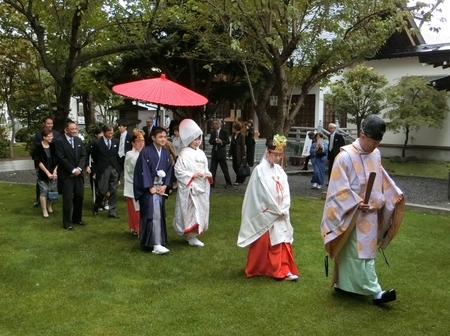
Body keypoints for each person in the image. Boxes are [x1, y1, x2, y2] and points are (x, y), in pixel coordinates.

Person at [320, 115, 405, 305]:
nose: (376, 145)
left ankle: (344, 285)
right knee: (356, 253)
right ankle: (376, 292)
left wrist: (390, 195)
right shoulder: (345, 156)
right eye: (373, 141)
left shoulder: (376, 154)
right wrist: (356, 202)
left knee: (365, 252)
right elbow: (337, 188)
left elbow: (382, 180)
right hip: (351, 215)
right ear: (363, 136)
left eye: (378, 141)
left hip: (371, 213)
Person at [237, 134, 299, 281]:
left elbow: (285, 190)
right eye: (275, 155)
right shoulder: (259, 170)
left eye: (280, 155)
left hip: (280, 211)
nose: (278, 158)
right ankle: (262, 267)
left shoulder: (279, 171)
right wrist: (275, 209)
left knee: (281, 238)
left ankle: (283, 268)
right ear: (268, 152)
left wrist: (284, 207)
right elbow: (260, 193)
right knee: (264, 239)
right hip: (268, 210)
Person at [133, 126, 173, 254]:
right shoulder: (145, 152)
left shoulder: (166, 153)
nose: (163, 139)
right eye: (160, 137)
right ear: (153, 138)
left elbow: (169, 170)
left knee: (159, 214)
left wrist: (165, 185)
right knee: (152, 214)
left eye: (164, 137)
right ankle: (155, 244)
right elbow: (142, 171)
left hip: (160, 188)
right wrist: (150, 187)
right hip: (148, 189)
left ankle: (156, 241)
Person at [173, 119, 212, 247]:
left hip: (201, 185)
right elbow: (178, 170)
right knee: (190, 211)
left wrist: (207, 174)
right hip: (190, 186)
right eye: (194, 139)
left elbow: (205, 167)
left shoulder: (201, 153)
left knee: (200, 210)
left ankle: (194, 234)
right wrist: (192, 175)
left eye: (198, 139)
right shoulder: (183, 154)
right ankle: (190, 236)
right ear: (189, 140)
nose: (196, 142)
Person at [54, 120, 86, 230]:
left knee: (79, 196)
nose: (74, 131)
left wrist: (79, 169)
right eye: (72, 129)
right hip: (67, 175)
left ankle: (77, 218)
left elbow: (83, 155)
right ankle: (67, 222)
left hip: (78, 174)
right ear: (66, 130)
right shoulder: (59, 141)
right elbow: (61, 158)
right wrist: (72, 170)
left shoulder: (78, 140)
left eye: (75, 129)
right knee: (67, 199)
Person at [92, 124, 121, 219]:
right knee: (102, 190)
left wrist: (118, 170)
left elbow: (117, 155)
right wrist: (95, 171)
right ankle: (96, 206)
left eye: (112, 133)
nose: (111, 135)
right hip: (103, 168)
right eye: (109, 133)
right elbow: (94, 157)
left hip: (114, 168)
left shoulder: (116, 141)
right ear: (104, 133)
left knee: (113, 190)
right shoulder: (97, 143)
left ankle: (112, 212)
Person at [33, 116, 61, 207]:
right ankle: (39, 199)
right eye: (48, 123)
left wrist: (55, 169)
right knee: (42, 185)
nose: (50, 125)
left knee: (53, 186)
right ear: (44, 124)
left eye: (51, 123)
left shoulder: (57, 134)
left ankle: (50, 203)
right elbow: (36, 152)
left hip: (53, 164)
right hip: (41, 163)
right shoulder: (38, 135)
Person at [123, 129, 146, 236]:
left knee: (142, 207)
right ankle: (136, 228)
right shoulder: (130, 154)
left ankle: (141, 227)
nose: (141, 143)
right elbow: (137, 165)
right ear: (133, 143)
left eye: (142, 141)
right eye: (138, 141)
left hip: (143, 184)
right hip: (132, 184)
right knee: (134, 208)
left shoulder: (145, 153)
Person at [32, 129, 58, 218]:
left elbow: (58, 160)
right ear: (44, 137)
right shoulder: (37, 147)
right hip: (42, 172)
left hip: (53, 171)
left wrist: (54, 171)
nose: (52, 138)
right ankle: (44, 210)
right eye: (50, 136)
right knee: (44, 191)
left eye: (52, 136)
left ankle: (49, 205)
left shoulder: (54, 146)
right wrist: (47, 172)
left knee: (52, 190)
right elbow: (38, 161)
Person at [208, 119, 232, 188]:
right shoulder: (213, 133)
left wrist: (221, 142)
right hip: (214, 153)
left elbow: (228, 141)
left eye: (216, 123)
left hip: (221, 153)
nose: (215, 125)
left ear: (220, 124)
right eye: (214, 124)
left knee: (224, 169)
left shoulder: (224, 132)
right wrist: (215, 141)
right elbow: (210, 141)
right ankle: (212, 183)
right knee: (212, 169)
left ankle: (228, 183)